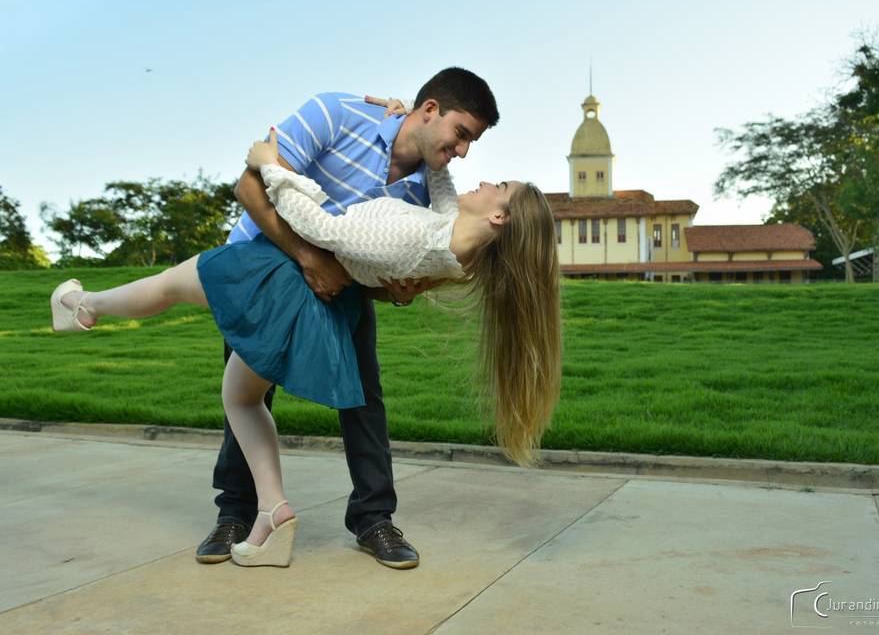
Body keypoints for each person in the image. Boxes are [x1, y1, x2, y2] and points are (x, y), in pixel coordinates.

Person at [50, 129, 562, 568]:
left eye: (500, 187)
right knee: (242, 396)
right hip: (320, 304)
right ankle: (272, 515)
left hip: (282, 280)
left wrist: (270, 166)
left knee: (168, 287)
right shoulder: (457, 244)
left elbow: (321, 229)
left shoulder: (414, 234)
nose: (483, 178)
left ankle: (81, 303)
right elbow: (445, 190)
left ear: (500, 218)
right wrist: (429, 141)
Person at [215, 67, 498, 569]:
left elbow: (389, 261)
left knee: (365, 395)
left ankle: (374, 519)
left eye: (470, 142)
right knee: (249, 392)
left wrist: (399, 288)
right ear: (429, 109)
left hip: (339, 287)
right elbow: (251, 187)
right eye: (461, 134)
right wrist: (308, 258)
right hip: (261, 267)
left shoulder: (426, 191)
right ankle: (234, 514)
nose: (462, 151)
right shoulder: (335, 112)